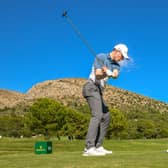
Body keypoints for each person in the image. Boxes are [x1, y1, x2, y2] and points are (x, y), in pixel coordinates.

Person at [82, 43, 129, 156]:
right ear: (117, 51)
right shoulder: (101, 57)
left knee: (106, 116)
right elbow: (98, 75)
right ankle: (89, 148)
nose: (122, 58)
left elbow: (116, 74)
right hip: (91, 87)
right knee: (97, 115)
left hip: (99, 91)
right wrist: (105, 73)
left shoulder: (116, 65)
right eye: (122, 56)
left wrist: (111, 73)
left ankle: (98, 146)